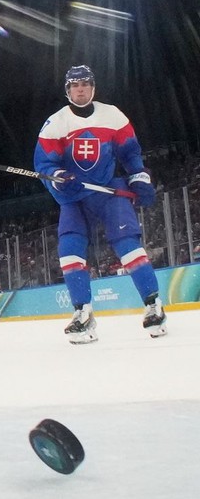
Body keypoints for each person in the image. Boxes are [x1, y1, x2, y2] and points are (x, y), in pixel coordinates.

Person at [34, 64, 165, 343]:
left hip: (107, 190)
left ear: (93, 87)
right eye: (75, 85)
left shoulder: (113, 115)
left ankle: (154, 306)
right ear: (68, 90)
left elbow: (130, 152)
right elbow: (45, 163)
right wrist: (59, 177)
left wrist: (139, 178)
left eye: (85, 84)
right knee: (69, 251)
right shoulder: (56, 122)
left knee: (127, 244)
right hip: (73, 195)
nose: (80, 89)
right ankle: (83, 314)